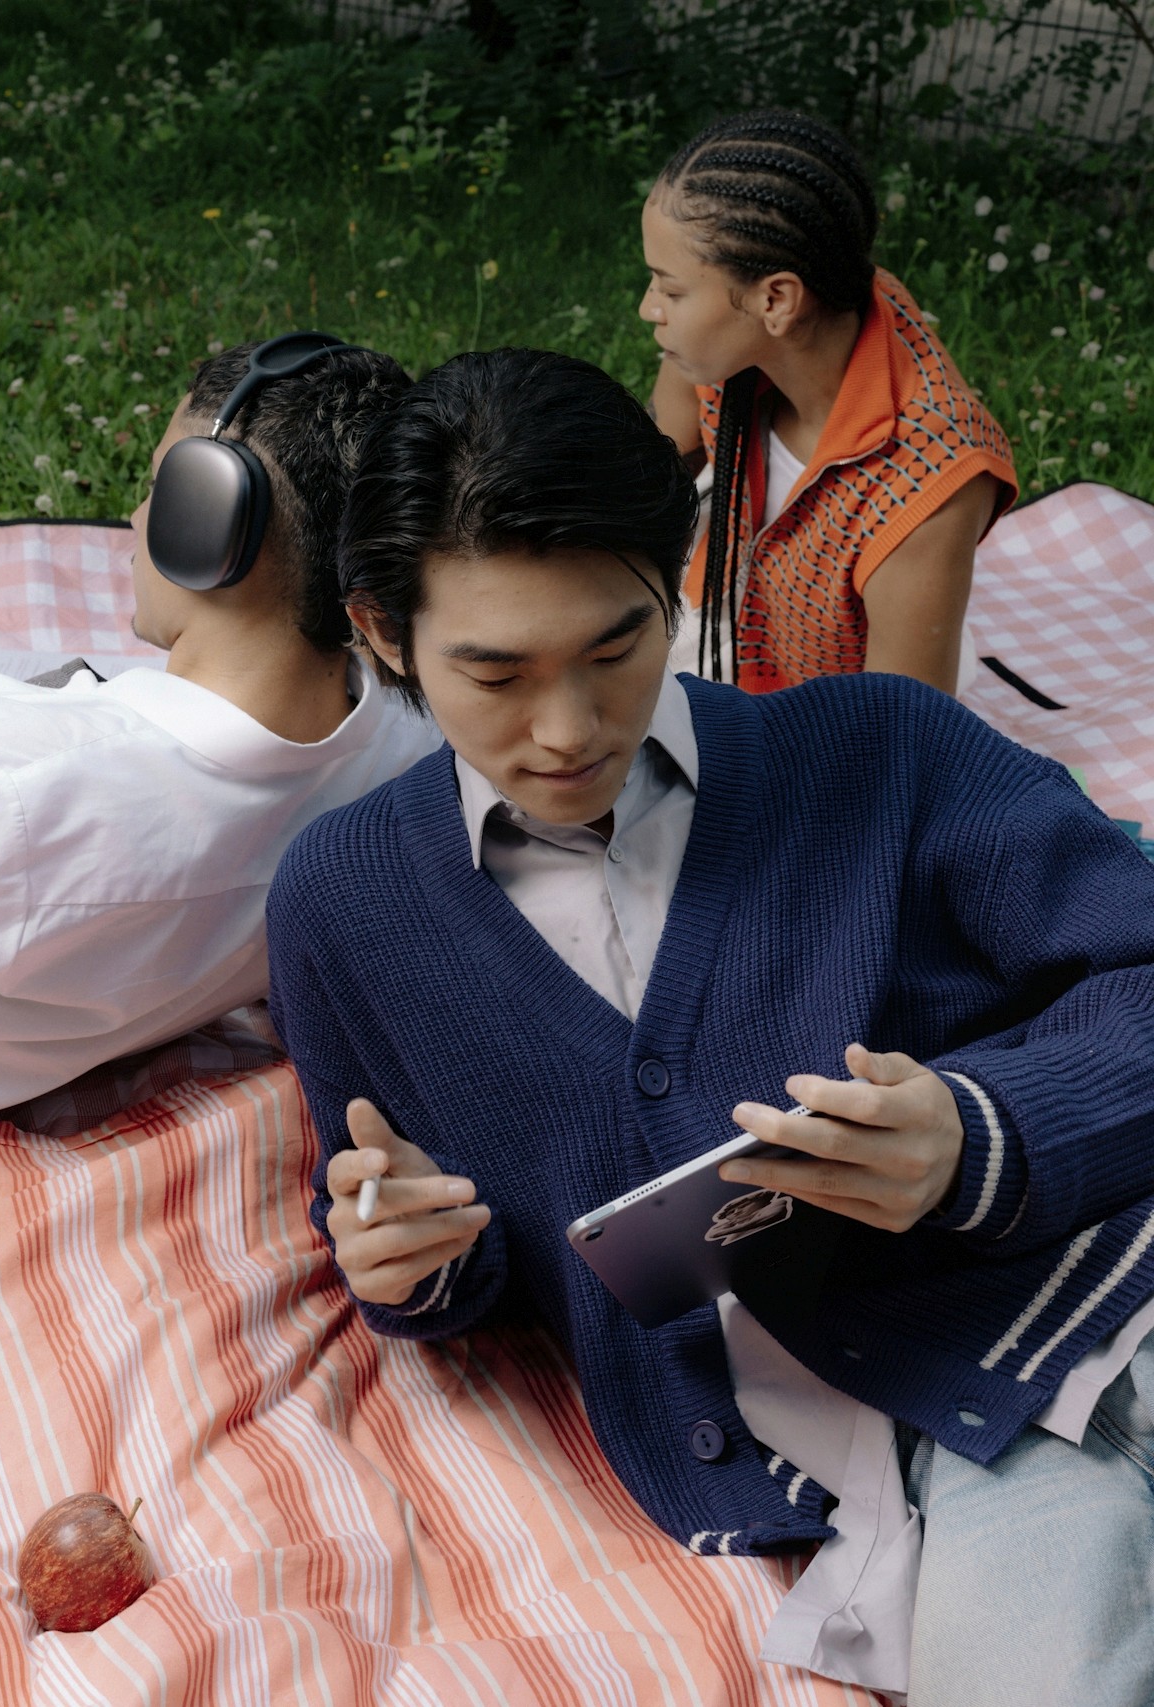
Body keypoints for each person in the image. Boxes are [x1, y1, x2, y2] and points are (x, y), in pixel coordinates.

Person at [265, 347, 1154, 1707]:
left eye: (616, 648)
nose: (566, 727)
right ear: (383, 629)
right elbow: (435, 1230)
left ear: (676, 576)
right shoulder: (344, 904)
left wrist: (985, 1134)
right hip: (951, 1447)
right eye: (494, 673)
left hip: (1102, 1291)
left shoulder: (878, 751)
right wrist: (406, 1261)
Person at [0, 339, 439, 1139]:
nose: (137, 520)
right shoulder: (408, 754)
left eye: (153, 491)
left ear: (205, 525)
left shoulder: (4, 784)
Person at [641, 108, 1019, 693]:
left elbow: (903, 731)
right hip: (723, 621)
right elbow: (647, 478)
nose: (649, 308)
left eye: (670, 289)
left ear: (777, 302)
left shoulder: (925, 489)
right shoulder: (765, 325)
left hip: (837, 711)